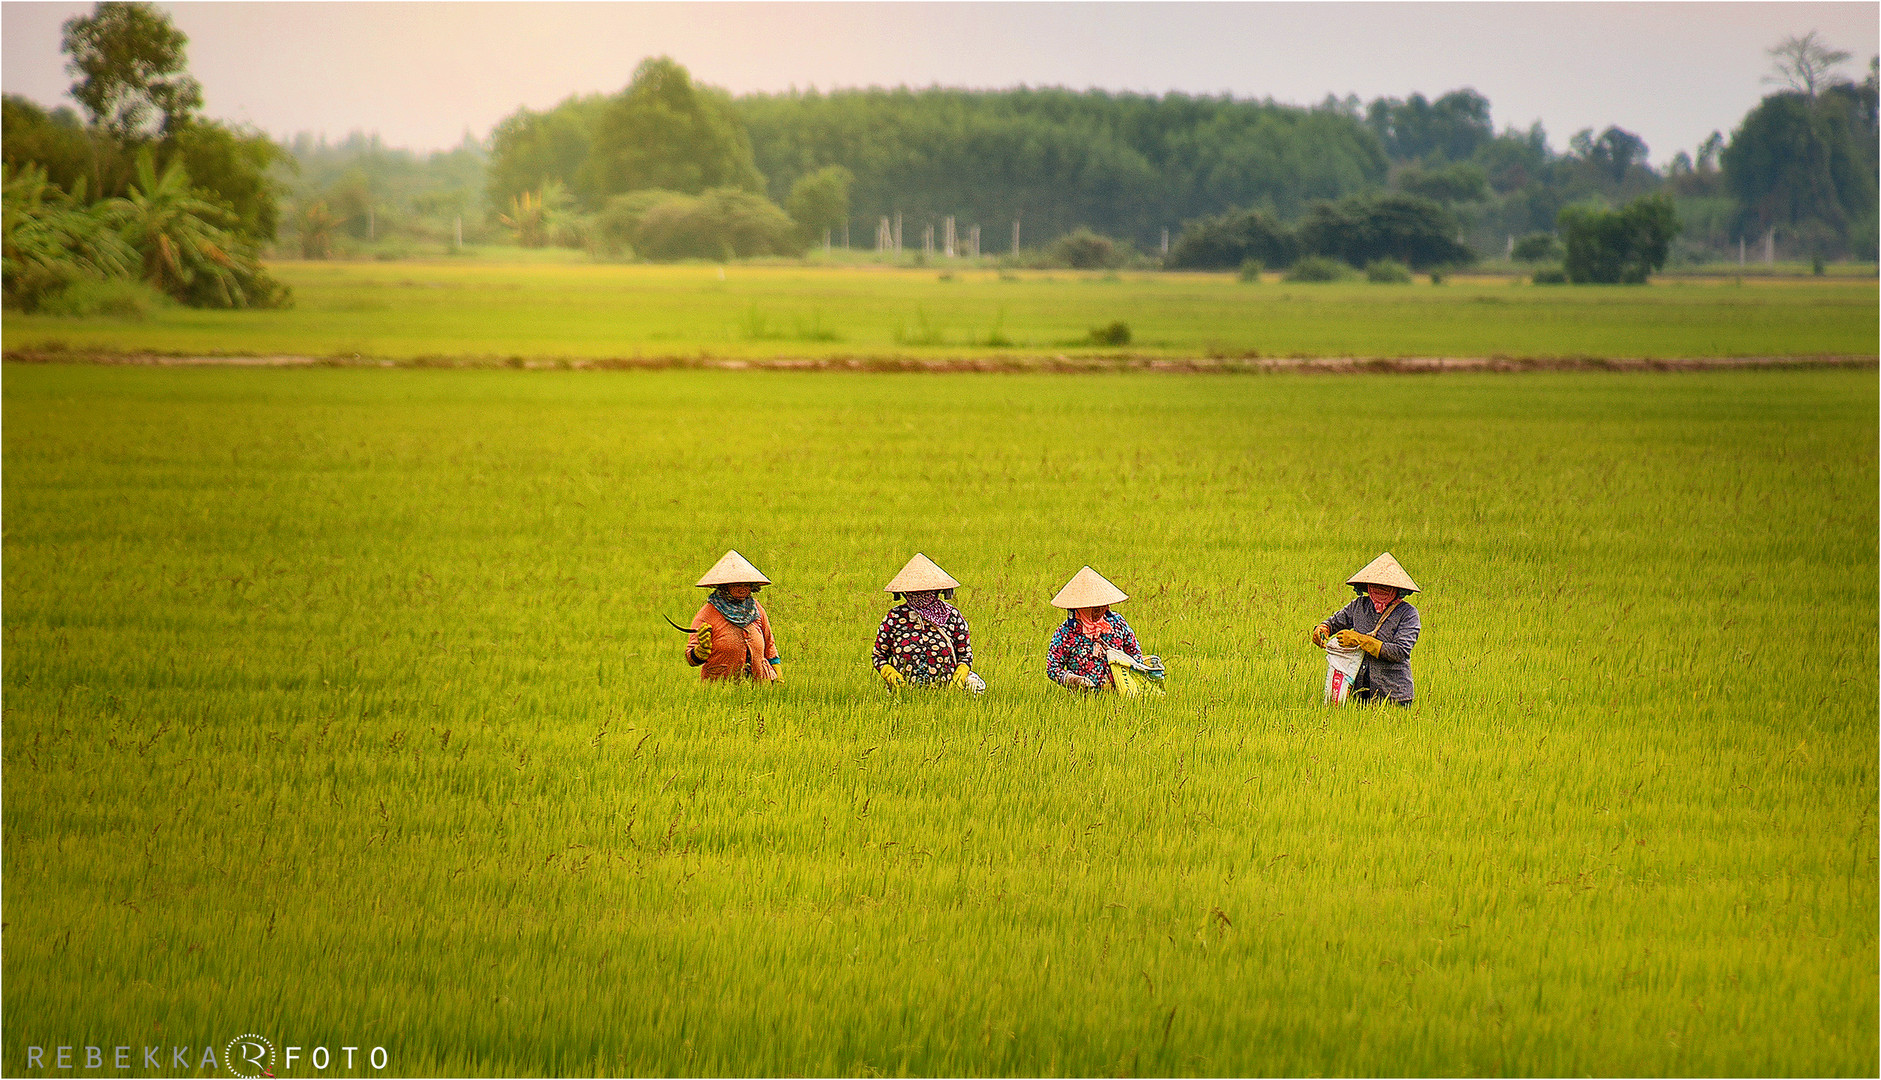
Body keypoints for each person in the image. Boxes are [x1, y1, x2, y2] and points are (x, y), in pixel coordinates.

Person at [1310, 552, 1421, 706]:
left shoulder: (1408, 613)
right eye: (1376, 585)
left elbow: (1399, 652)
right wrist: (1322, 629)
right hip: (1359, 694)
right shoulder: (1359, 606)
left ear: (1397, 588)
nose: (1380, 589)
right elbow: (1333, 623)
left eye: (1386, 586)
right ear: (1368, 586)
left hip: (1393, 695)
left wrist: (1359, 639)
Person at [873, 553, 984, 692]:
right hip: (904, 695)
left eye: (926, 591)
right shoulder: (895, 617)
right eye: (915, 591)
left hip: (946, 696)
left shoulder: (952, 616)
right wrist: (890, 673)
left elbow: (965, 655)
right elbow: (878, 655)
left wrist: (959, 676)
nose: (921, 595)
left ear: (936, 590)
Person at [1046, 566, 1161, 692]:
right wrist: (1073, 680)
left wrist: (1136, 671)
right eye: (1093, 607)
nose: (1099, 610)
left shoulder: (1116, 623)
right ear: (1079, 606)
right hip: (1084, 701)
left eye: (1102, 605)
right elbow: (1053, 667)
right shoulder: (1066, 633)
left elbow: (1134, 652)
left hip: (1121, 696)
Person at [685, 550, 782, 683]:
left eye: (746, 584)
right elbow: (691, 656)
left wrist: (778, 673)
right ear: (725, 585)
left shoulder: (756, 609)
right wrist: (700, 652)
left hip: (759, 682)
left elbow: (769, 644)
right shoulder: (708, 612)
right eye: (737, 584)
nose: (742, 589)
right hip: (720, 683)